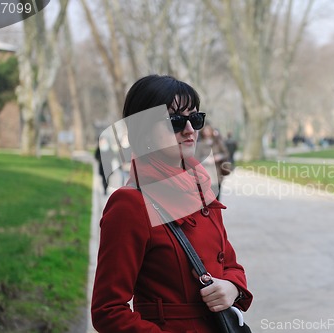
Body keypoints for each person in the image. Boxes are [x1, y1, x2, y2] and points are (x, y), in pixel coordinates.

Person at [91, 74, 252, 333]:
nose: (189, 130)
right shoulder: (130, 204)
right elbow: (108, 311)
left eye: (195, 118)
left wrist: (231, 288)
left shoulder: (200, 188)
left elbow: (230, 265)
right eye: (175, 121)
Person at [197, 123, 230, 200]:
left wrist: (218, 157)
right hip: (204, 173)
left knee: (216, 195)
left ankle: (217, 211)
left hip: (216, 172)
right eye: (205, 130)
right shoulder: (200, 144)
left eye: (208, 130)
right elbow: (196, 158)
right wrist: (206, 160)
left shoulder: (217, 142)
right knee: (206, 197)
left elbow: (226, 153)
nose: (206, 132)